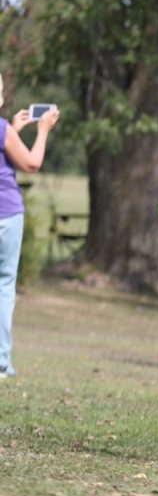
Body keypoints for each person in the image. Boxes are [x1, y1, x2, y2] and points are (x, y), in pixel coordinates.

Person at [0, 73, 60, 377]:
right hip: (5, 215)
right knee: (3, 285)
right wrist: (43, 130)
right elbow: (31, 163)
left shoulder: (4, 130)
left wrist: (13, 130)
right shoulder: (1, 130)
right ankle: (1, 361)